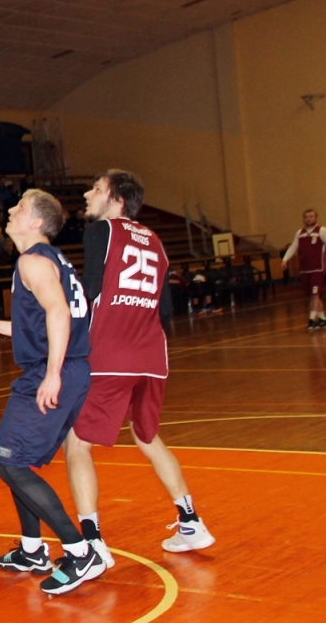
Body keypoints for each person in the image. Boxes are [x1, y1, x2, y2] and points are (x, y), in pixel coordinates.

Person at [65, 169, 214, 566]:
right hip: (152, 357)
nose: (87, 194)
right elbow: (165, 310)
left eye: (96, 189)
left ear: (115, 200)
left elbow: (90, 291)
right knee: (148, 437)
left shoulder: (102, 232)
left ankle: (92, 541)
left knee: (78, 443)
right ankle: (190, 520)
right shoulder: (157, 241)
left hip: (109, 355)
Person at [0, 189, 105, 596]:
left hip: (54, 370)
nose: (10, 210)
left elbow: (59, 313)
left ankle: (80, 551)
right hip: (70, 366)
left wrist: (53, 374)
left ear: (36, 223)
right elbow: (49, 318)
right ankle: (32, 550)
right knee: (14, 459)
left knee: (10, 464)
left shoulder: (32, 261)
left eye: (19, 208)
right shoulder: (51, 260)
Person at [281, 209, 326, 330]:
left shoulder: (322, 231)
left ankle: (311, 319)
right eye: (306, 217)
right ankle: (323, 319)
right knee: (314, 295)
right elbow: (293, 247)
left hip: (318, 268)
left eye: (311, 217)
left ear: (316, 218)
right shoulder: (300, 233)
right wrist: (285, 260)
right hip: (305, 269)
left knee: (315, 294)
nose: (308, 219)